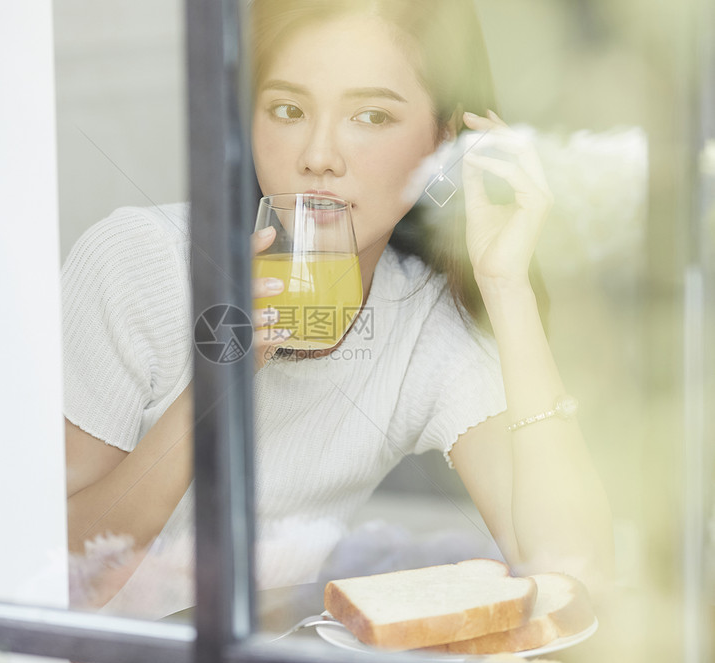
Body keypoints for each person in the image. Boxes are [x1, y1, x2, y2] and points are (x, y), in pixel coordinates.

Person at [62, 0, 614, 618]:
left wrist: (505, 283)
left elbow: (572, 569)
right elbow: (55, 574)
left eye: (371, 115)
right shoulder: (139, 263)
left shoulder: (425, 320)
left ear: (444, 143)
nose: (318, 154)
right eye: (288, 110)